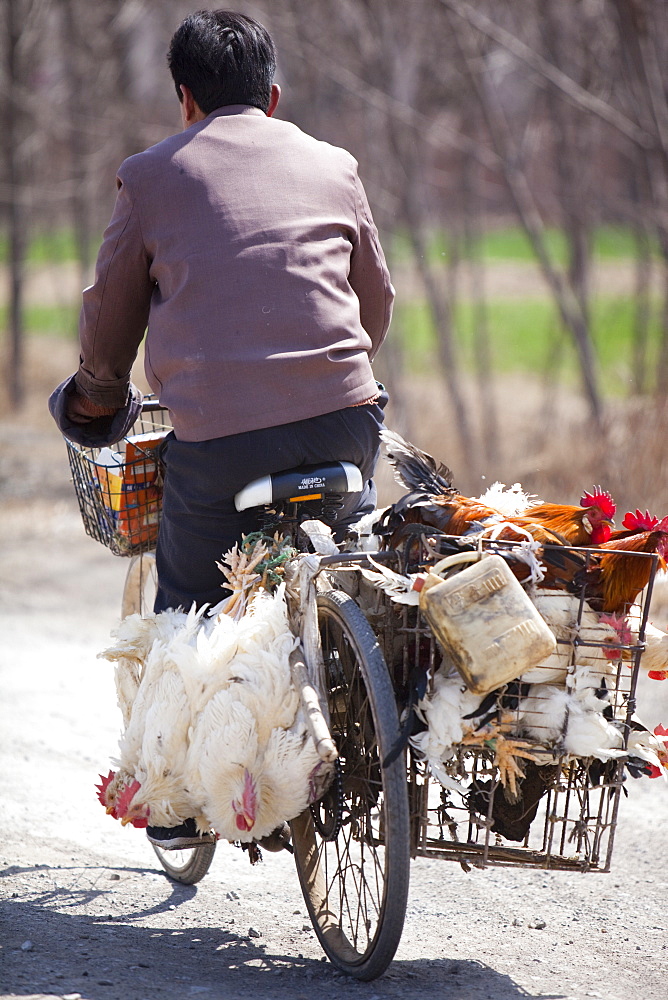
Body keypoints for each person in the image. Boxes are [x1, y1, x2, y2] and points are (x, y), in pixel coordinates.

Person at [49, 9, 393, 848]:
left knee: (190, 596)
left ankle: (169, 804)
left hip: (223, 446)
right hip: (350, 423)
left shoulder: (151, 176)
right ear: (271, 97)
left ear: (184, 100)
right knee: (347, 568)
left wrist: (96, 395)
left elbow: (110, 324)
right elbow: (374, 307)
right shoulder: (335, 164)